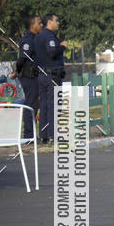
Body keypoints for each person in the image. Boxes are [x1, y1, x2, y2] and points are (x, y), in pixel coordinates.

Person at [33, 13, 69, 142]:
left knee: (44, 105)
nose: (58, 23)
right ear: (49, 22)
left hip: (42, 75)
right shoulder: (49, 36)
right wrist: (62, 46)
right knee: (54, 105)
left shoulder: (38, 37)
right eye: (56, 20)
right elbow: (52, 52)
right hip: (52, 75)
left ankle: (44, 136)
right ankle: (54, 135)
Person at [11, 15, 42, 140]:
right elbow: (23, 58)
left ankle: (32, 134)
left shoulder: (36, 38)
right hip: (28, 76)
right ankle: (28, 136)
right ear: (32, 25)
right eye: (39, 23)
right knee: (31, 105)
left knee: (35, 104)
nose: (41, 25)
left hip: (35, 76)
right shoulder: (28, 39)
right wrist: (16, 71)